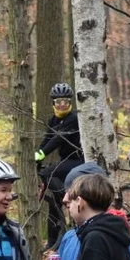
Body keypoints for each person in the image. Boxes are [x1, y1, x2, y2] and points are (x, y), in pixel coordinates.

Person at [35, 83, 84, 242]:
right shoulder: (53, 119)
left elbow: (57, 139)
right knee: (53, 204)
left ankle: (68, 199)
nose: (62, 104)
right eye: (58, 102)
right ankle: (51, 242)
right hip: (66, 161)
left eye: (65, 101)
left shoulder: (74, 118)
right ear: (53, 103)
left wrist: (42, 153)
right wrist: (35, 155)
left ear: (70, 102)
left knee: (47, 173)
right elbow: (47, 138)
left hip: (79, 161)